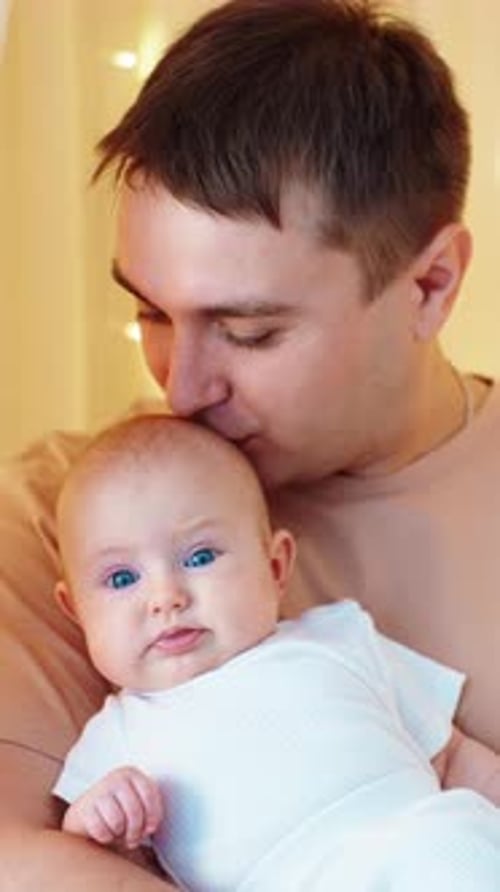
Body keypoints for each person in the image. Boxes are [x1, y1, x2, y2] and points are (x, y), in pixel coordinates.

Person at [1, 0, 500, 888]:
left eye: (249, 331)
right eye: (149, 311)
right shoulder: (60, 513)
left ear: (429, 285)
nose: (181, 387)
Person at [53, 413, 500, 892]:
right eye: (122, 579)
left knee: (454, 836)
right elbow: (93, 863)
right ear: (77, 612)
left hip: (425, 851)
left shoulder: (340, 639)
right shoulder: (117, 735)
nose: (166, 597)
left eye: (200, 557)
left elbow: (453, 757)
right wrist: (98, 820)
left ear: (275, 565)